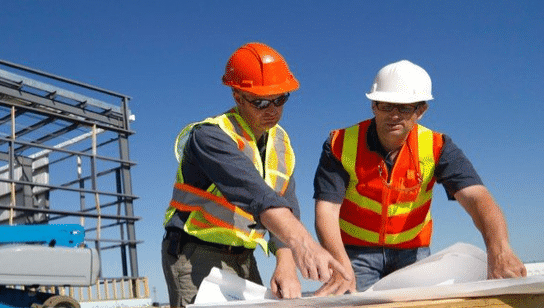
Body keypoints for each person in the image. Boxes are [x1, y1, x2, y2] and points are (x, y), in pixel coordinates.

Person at [313, 59, 527, 295]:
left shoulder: (438, 147)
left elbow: (477, 198)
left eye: (404, 108)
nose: (394, 115)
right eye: (386, 105)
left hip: (412, 252)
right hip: (354, 252)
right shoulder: (339, 144)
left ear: (421, 111)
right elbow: (327, 210)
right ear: (373, 105)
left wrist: (499, 249)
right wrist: (340, 264)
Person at [161, 42, 349, 307]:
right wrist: (303, 244)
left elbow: (286, 204)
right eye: (260, 101)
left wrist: (285, 263)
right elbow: (257, 196)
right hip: (194, 252)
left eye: (280, 99)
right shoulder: (210, 137)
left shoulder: (280, 142)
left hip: (243, 256)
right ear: (237, 97)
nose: (272, 110)